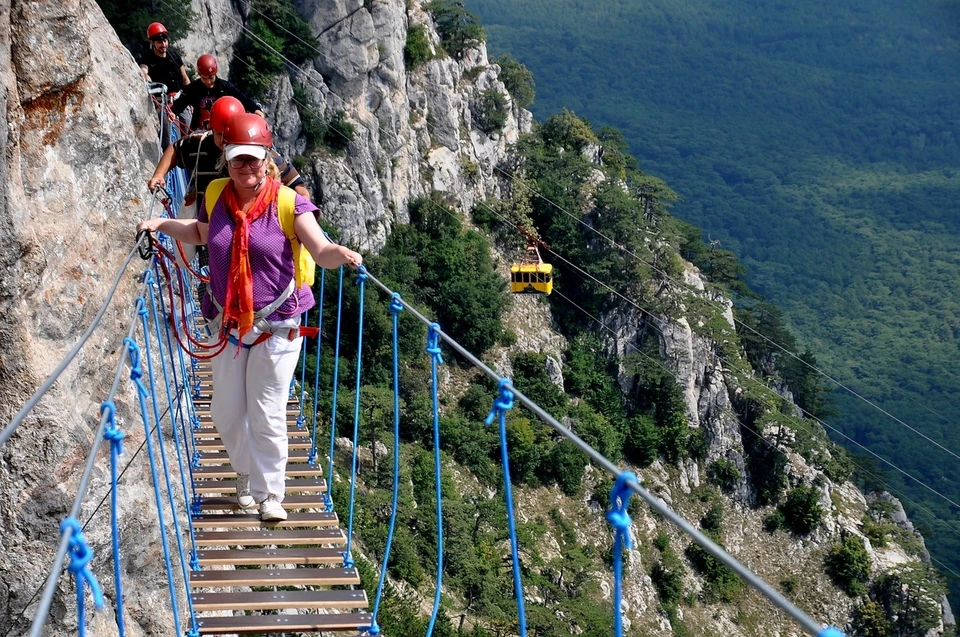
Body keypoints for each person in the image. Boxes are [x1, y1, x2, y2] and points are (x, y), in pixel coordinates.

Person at [137, 113, 362, 521]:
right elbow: (201, 233)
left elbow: (319, 248)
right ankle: (245, 470)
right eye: (238, 159)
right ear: (227, 158)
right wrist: (163, 225)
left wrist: (340, 256)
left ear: (267, 157)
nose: (246, 168)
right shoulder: (216, 193)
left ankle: (270, 494)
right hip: (228, 319)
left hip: (279, 322)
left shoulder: (289, 202)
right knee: (225, 410)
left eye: (254, 159)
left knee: (267, 409)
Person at [172, 54, 263, 132]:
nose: (208, 82)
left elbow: (242, 98)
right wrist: (173, 112)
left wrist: (255, 109)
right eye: (204, 78)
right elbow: (181, 102)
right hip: (199, 130)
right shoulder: (193, 88)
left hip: (222, 130)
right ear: (200, 75)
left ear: (215, 73)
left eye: (211, 78)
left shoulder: (225, 87)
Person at [139, 23, 190, 93]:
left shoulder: (174, 55)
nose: (163, 44)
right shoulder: (148, 58)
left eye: (165, 41)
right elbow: (143, 69)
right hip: (161, 101)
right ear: (152, 43)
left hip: (179, 98)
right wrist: (145, 75)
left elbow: (185, 78)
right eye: (160, 42)